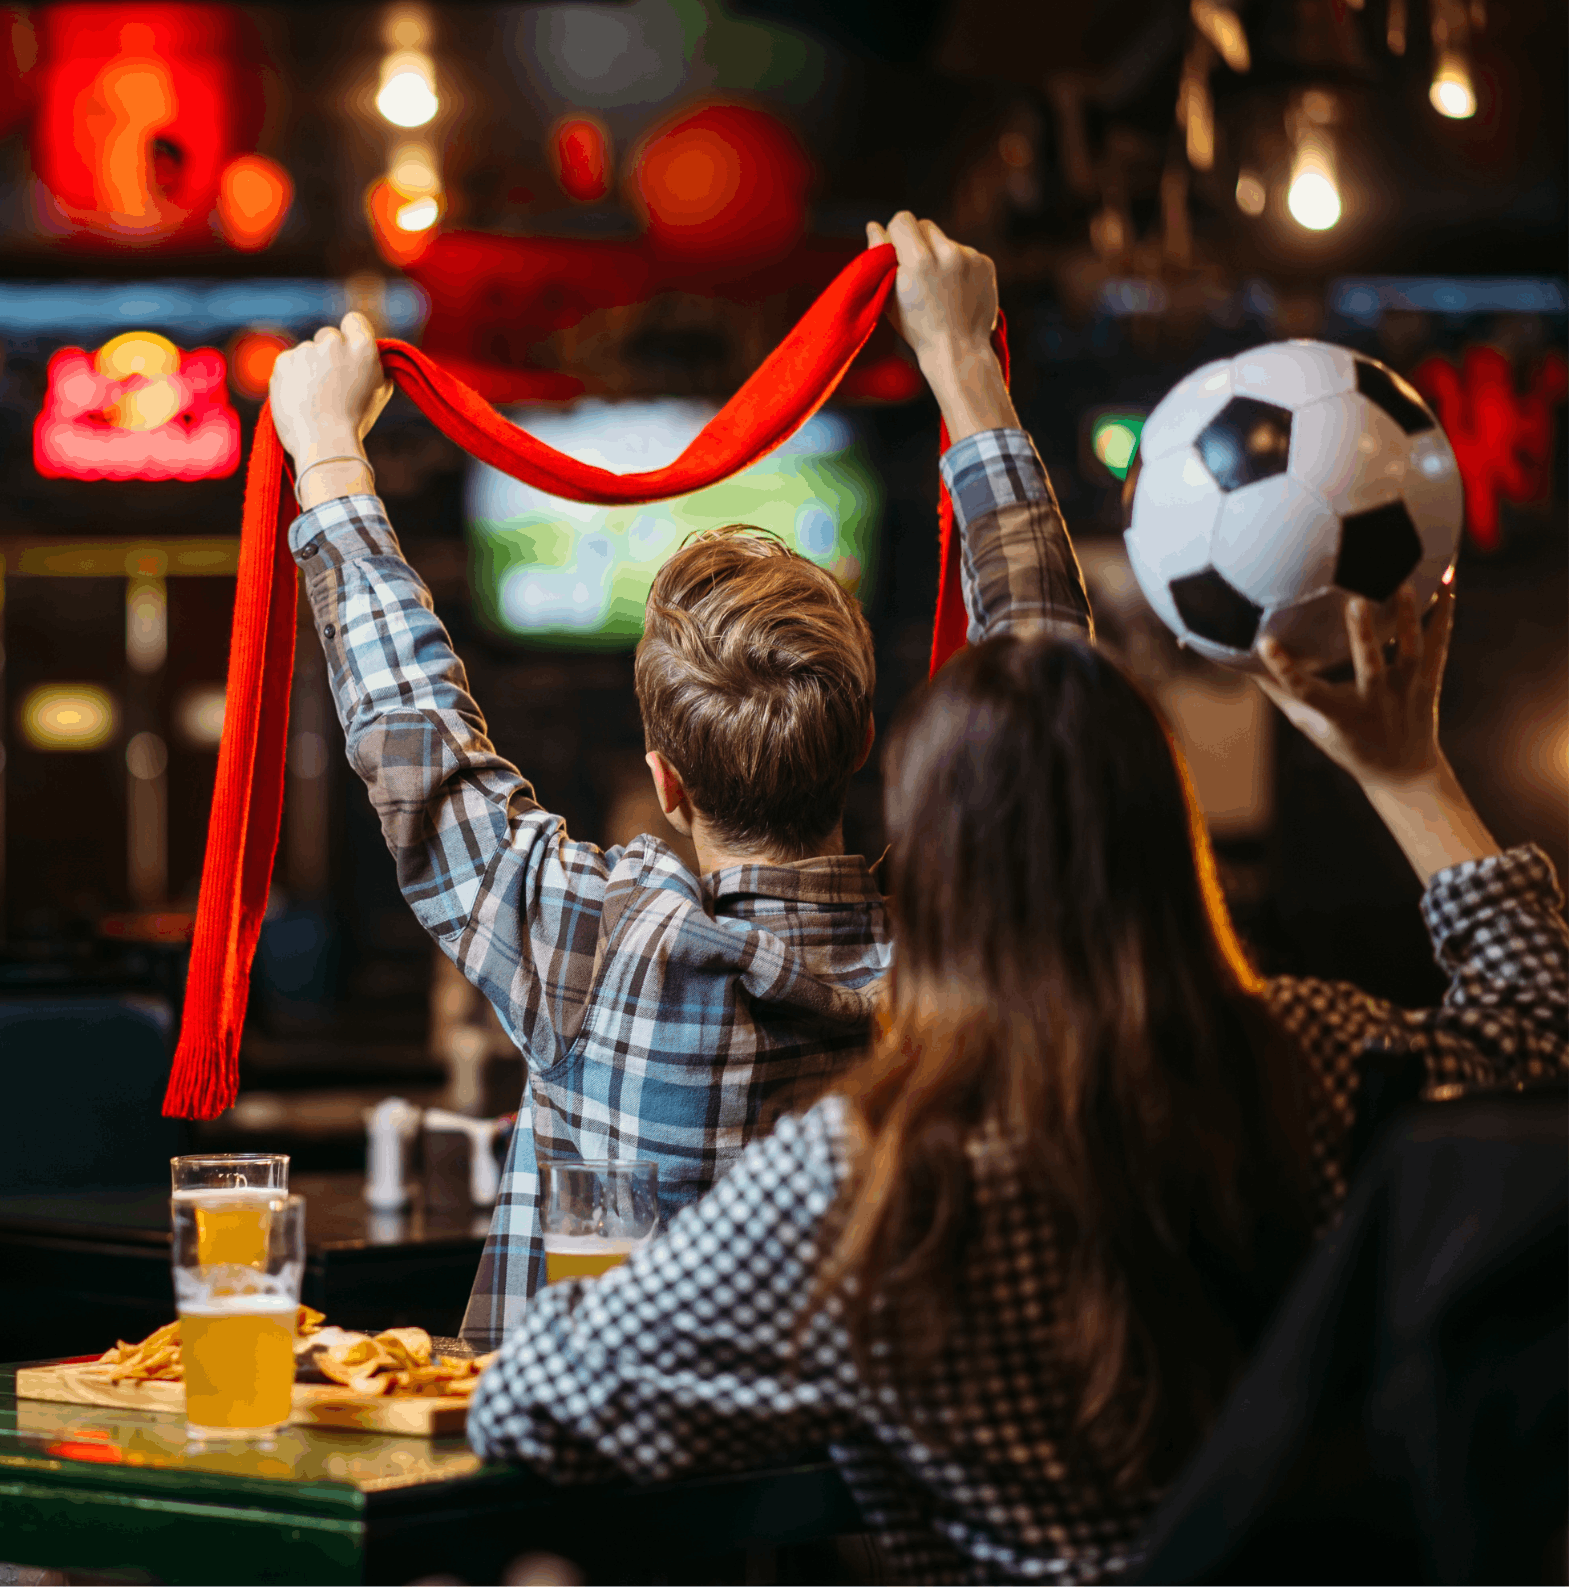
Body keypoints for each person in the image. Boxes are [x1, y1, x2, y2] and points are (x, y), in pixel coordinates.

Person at [464, 586, 1568, 1576]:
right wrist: (1404, 767)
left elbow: (533, 1401)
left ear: (930, 863)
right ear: (1168, 826)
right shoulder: (1315, 1051)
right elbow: (1534, 1026)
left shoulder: (867, 1175)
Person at [268, 213, 1092, 1348]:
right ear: (858, 745)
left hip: (582, 1518)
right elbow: (1056, 715)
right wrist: (962, 364)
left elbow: (414, 738)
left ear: (667, 780)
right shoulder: (969, 956)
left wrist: (325, 452)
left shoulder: (595, 950)